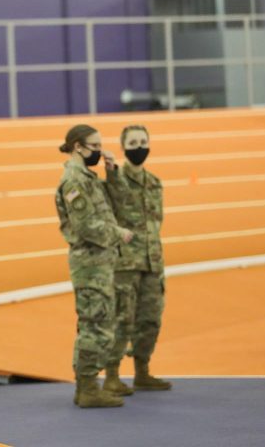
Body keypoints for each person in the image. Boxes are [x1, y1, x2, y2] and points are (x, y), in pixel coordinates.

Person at [54, 124, 134, 408]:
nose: (100, 152)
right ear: (78, 146)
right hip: (89, 263)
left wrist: (112, 172)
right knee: (94, 326)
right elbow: (86, 225)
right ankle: (87, 388)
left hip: (100, 262)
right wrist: (118, 234)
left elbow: (119, 204)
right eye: (95, 147)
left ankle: (88, 386)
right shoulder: (74, 180)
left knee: (100, 323)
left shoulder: (88, 176)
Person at [102, 125, 173, 394]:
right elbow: (114, 198)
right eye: (133, 142)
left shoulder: (154, 182)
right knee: (122, 319)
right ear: (123, 147)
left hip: (153, 262)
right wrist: (110, 168)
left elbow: (157, 222)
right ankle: (111, 375)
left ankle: (142, 371)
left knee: (151, 319)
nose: (139, 146)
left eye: (143, 141)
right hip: (126, 265)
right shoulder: (116, 179)